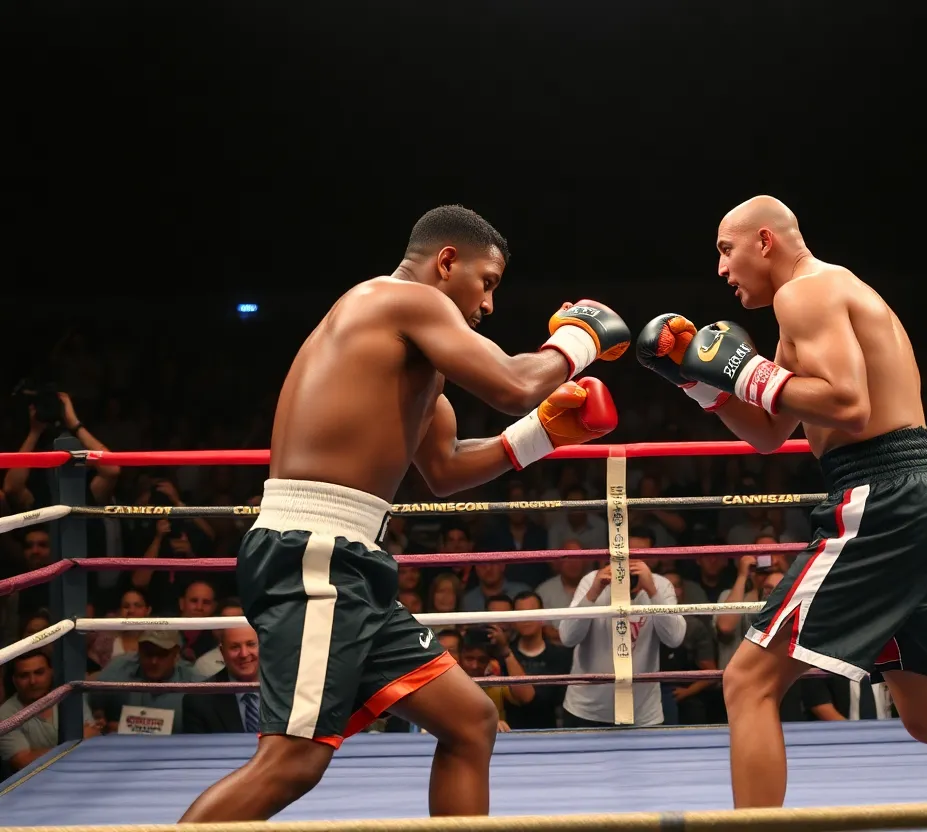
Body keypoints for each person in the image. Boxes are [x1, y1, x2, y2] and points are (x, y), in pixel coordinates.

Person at [636, 195, 927, 832]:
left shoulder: (806, 292)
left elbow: (848, 405)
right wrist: (697, 380)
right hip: (918, 495)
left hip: (882, 491)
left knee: (747, 681)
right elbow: (770, 433)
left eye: (726, 250)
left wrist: (743, 369)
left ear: (764, 241)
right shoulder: (815, 301)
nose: (721, 269)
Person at [180, 205, 629, 822]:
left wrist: (543, 435)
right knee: (292, 761)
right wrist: (582, 336)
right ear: (446, 261)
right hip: (314, 553)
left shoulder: (419, 371)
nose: (488, 304)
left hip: (349, 562)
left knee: (470, 722)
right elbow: (512, 383)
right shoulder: (396, 299)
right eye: (487, 282)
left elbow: (444, 469)